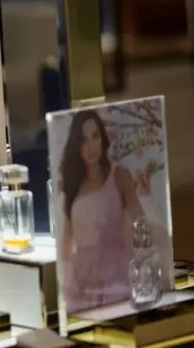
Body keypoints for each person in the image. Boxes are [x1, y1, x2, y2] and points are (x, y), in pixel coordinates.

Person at [58, 110, 149, 313]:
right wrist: (67, 279)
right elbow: (66, 241)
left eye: (95, 136)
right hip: (82, 279)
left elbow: (141, 223)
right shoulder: (73, 186)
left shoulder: (119, 176)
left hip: (116, 275)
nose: (90, 146)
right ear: (76, 146)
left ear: (102, 138)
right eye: (83, 140)